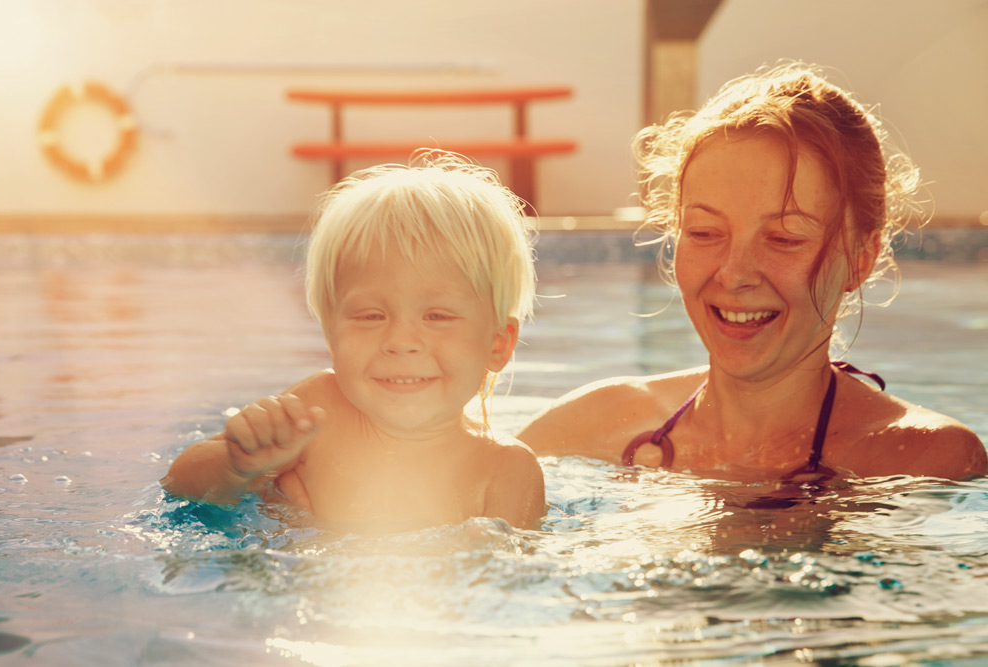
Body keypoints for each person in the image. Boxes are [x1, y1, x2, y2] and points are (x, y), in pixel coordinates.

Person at [518, 62, 986, 482]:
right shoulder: (584, 429)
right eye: (704, 232)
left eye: (783, 238)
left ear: (860, 258)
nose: (734, 273)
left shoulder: (922, 461)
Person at [162, 153, 545, 533]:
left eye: (437, 316)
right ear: (332, 335)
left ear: (498, 344)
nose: (400, 341)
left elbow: (508, 577)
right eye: (370, 316)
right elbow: (179, 487)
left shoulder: (505, 469)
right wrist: (236, 466)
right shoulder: (317, 413)